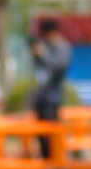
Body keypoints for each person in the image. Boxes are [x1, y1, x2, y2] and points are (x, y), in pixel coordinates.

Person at [31, 19, 72, 158]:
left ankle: (55, 157)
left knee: (52, 129)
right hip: (42, 96)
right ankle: (46, 157)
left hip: (53, 96)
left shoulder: (62, 47)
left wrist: (42, 54)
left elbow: (58, 66)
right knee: (41, 131)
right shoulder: (46, 46)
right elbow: (39, 69)